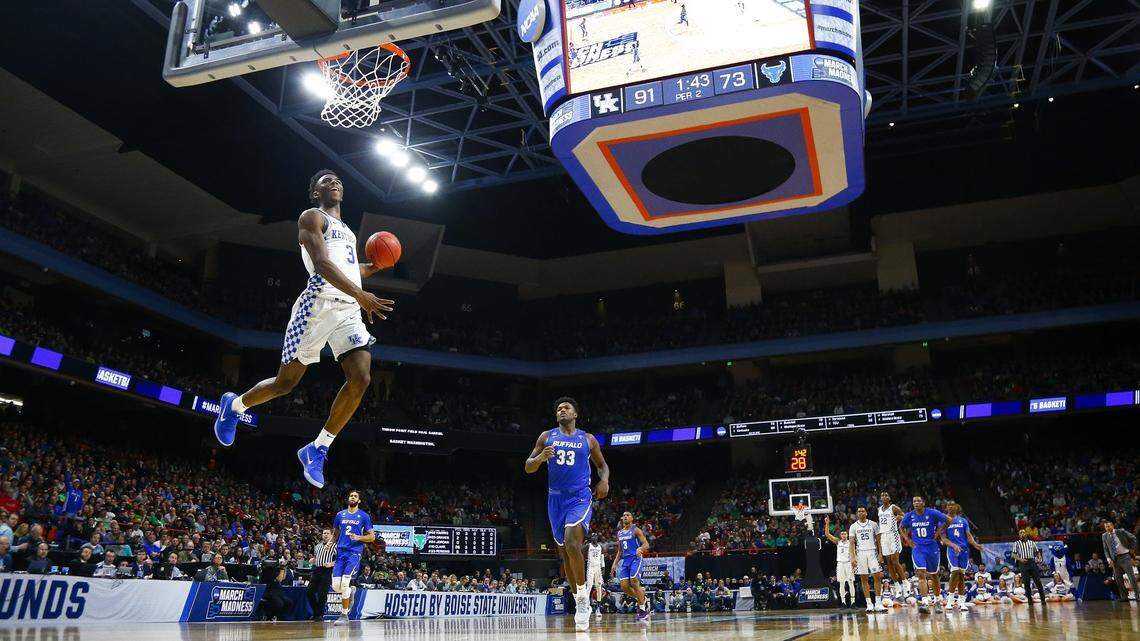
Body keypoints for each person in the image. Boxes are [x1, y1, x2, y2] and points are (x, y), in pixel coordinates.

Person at [213, 169, 394, 488]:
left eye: (338, 180)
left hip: (347, 309)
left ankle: (317, 448)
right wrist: (361, 295)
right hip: (317, 305)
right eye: (326, 181)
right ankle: (235, 405)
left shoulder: (348, 232)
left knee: (362, 378)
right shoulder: (312, 218)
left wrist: (374, 266)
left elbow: (351, 270)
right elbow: (322, 266)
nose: (334, 182)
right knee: (285, 383)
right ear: (315, 193)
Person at [524, 397, 610, 632]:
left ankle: (582, 600)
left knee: (572, 543)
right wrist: (540, 458)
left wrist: (604, 481)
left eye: (566, 408)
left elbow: (602, 465)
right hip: (555, 499)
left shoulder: (587, 439)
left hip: (580, 497)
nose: (562, 410)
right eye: (559, 409)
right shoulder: (546, 436)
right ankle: (578, 595)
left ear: (575, 414)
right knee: (564, 554)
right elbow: (528, 467)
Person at [332, 490, 375, 624]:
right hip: (340, 552)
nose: (352, 497)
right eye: (351, 496)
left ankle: (344, 615)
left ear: (359, 500)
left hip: (354, 553)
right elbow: (335, 533)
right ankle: (350, 592)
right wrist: (330, 543)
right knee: (336, 586)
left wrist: (359, 537)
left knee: (345, 583)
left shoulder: (364, 516)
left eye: (355, 496)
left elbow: (372, 537)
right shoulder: (340, 515)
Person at [900, 495, 948, 613]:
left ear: (923, 503)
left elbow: (947, 521)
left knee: (934, 575)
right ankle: (925, 603)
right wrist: (908, 540)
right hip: (918, 548)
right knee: (921, 574)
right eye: (914, 501)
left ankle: (937, 601)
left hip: (932, 547)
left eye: (918, 501)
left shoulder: (932, 513)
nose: (916, 503)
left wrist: (937, 533)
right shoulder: (909, 515)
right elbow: (901, 527)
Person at [939, 502, 985, 611]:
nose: (951, 507)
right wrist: (953, 545)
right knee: (955, 571)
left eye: (952, 505)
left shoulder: (963, 521)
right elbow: (943, 538)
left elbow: (968, 535)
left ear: (957, 508)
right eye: (948, 505)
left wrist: (975, 544)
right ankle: (950, 600)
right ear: (946, 508)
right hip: (952, 549)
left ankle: (961, 602)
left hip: (964, 550)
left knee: (961, 575)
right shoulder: (943, 521)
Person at [611, 511, 650, 623]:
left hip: (636, 559)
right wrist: (614, 564)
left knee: (634, 581)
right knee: (624, 586)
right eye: (624, 515)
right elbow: (620, 551)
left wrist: (640, 549)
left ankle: (642, 609)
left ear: (632, 518)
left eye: (627, 515)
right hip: (626, 560)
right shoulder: (620, 533)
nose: (625, 517)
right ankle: (642, 599)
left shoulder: (636, 530)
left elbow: (646, 544)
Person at [849, 506, 886, 613]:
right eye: (859, 511)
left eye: (862, 511)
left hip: (873, 552)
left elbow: (879, 541)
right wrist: (852, 557)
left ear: (866, 513)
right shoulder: (853, 526)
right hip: (860, 553)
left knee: (877, 577)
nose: (861, 512)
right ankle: (869, 604)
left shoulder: (874, 524)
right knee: (863, 578)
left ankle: (878, 603)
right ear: (857, 513)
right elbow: (852, 543)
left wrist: (881, 554)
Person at [878, 492, 909, 600]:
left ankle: (905, 582)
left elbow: (905, 517)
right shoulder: (879, 509)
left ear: (889, 498)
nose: (884, 497)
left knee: (895, 560)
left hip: (893, 535)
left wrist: (900, 518)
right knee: (889, 563)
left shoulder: (893, 507)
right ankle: (897, 585)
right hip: (884, 536)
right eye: (882, 495)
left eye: (886, 495)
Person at [822, 515, 855, 609]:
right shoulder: (837, 541)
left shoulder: (851, 543)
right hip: (840, 563)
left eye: (845, 534)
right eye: (842, 534)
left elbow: (854, 553)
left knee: (851, 582)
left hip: (848, 563)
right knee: (841, 583)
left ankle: (853, 602)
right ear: (840, 535)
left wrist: (854, 563)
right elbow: (827, 534)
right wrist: (827, 524)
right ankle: (843, 603)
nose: (844, 535)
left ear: (847, 535)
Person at [1101, 520, 1138, 601]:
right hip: (1114, 559)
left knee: (1131, 577)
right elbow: (1105, 549)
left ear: (1112, 526)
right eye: (1106, 527)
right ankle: (1124, 597)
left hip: (1125, 557)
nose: (1107, 528)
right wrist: (1108, 558)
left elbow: (1133, 538)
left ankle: (1137, 596)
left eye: (1108, 526)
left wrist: (1132, 548)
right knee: (1118, 579)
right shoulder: (1104, 536)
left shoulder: (1121, 531)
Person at [1012, 528, 1047, 605]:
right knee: (1026, 582)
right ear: (1019, 535)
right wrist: (1020, 559)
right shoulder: (1016, 543)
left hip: (1032, 562)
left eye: (1023, 532)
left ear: (1026, 534)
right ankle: (1030, 601)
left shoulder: (1031, 542)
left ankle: (1043, 599)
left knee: (1038, 581)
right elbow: (1013, 555)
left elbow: (1037, 552)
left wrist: (1039, 558)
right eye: (1020, 533)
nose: (1022, 534)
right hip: (1023, 563)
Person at [309, 528, 336, 621]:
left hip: (327, 570)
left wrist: (331, 564)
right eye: (324, 533)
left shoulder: (334, 546)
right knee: (309, 592)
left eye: (327, 533)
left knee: (322, 593)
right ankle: (317, 612)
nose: (325, 535)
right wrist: (313, 560)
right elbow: (316, 557)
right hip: (317, 570)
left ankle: (319, 615)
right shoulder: (317, 546)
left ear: (331, 535)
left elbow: (341, 559)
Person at [586, 533, 605, 618]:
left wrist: (603, 568)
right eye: (592, 536)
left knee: (599, 588)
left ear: (597, 537)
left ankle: (598, 608)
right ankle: (587, 606)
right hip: (590, 567)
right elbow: (581, 552)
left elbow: (602, 558)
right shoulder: (588, 546)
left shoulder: (600, 547)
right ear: (591, 538)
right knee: (589, 586)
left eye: (595, 536)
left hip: (598, 568)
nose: (594, 537)